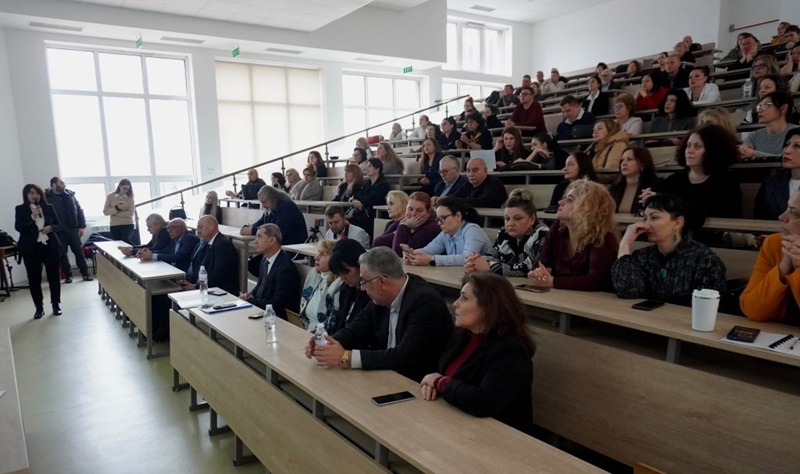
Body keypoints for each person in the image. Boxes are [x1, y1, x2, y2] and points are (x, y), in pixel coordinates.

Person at [308, 247, 454, 382]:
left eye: (364, 281)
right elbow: (357, 327)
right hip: (388, 374)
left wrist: (345, 357)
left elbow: (404, 355)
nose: (362, 288)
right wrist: (327, 342)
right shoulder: (382, 296)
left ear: (382, 281)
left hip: (416, 383)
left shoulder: (425, 302)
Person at [419, 273, 535, 434]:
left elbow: (482, 401)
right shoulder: (463, 335)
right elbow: (445, 374)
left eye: (464, 298)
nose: (455, 304)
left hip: (499, 435)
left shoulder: (510, 352)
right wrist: (433, 384)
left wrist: (440, 382)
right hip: (458, 422)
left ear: (487, 308)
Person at [612, 194, 726, 306]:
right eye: (645, 218)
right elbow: (627, 291)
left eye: (654, 217)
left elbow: (708, 306)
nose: (646, 225)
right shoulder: (643, 256)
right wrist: (625, 244)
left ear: (677, 223)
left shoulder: (704, 259)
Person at [529, 180, 618, 291]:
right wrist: (536, 273)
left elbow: (596, 281)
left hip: (594, 299)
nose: (560, 202)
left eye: (570, 200)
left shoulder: (603, 237)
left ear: (588, 208)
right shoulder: (558, 228)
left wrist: (552, 281)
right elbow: (540, 264)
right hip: (563, 295)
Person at [644, 124, 742, 221]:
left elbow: (718, 213)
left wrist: (667, 204)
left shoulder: (727, 182)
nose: (689, 151)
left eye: (697, 146)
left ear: (712, 150)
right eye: (688, 145)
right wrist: (653, 201)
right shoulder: (674, 181)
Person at [740, 189, 800, 325]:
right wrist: (784, 266)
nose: (782, 217)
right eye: (787, 208)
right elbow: (753, 310)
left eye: (794, 213)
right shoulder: (774, 244)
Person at [464, 188, 548, 277]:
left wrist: (490, 267)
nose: (510, 223)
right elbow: (489, 256)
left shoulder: (543, 234)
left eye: (518, 218)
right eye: (507, 218)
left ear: (532, 219)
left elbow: (530, 267)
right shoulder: (503, 232)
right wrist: (474, 264)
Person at [15, 183, 62, 319]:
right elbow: (19, 227)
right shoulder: (20, 209)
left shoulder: (48, 207)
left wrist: (51, 228)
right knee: (34, 279)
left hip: (49, 245)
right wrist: (32, 216)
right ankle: (39, 308)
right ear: (26, 195)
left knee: (54, 276)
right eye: (31, 193)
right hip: (31, 248)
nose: (34, 196)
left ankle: (56, 305)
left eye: (37, 193)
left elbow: (58, 225)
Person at [404, 197, 492, 267]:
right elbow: (427, 251)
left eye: (443, 218)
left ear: (458, 216)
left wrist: (432, 259)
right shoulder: (446, 233)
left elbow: (468, 258)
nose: (439, 223)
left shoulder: (472, 229)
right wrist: (412, 255)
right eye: (438, 219)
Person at [240, 223, 301, 319]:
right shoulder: (264, 259)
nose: (255, 241)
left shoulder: (285, 268)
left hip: (277, 318)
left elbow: (277, 303)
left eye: (259, 237)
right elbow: (260, 286)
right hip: (262, 310)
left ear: (272, 240)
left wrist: (252, 301)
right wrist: (249, 295)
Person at [46, 177, 92, 283]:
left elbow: (79, 210)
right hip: (58, 231)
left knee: (79, 252)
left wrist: (81, 226)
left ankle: (85, 273)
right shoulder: (47, 198)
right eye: (61, 183)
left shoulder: (70, 195)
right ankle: (68, 275)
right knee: (62, 254)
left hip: (73, 229)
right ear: (53, 185)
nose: (64, 185)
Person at [179, 215, 239, 295]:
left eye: (200, 227)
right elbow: (200, 268)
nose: (198, 231)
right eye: (197, 228)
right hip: (208, 287)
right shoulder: (207, 243)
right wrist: (187, 281)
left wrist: (195, 286)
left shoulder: (223, 245)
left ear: (211, 226)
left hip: (221, 291)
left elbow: (217, 274)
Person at [325, 239, 370, 334]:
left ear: (360, 266)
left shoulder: (372, 293)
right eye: (339, 274)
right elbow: (340, 322)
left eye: (346, 272)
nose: (342, 278)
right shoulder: (346, 288)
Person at [374, 191, 439, 256]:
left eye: (419, 210)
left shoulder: (431, 229)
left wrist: (404, 227)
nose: (413, 214)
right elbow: (377, 243)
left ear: (428, 212)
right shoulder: (405, 221)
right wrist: (397, 231)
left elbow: (399, 252)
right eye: (410, 209)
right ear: (406, 209)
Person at [754, 128, 800, 220]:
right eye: (787, 144)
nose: (787, 151)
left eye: (797, 146)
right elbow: (759, 219)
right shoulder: (770, 184)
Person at [740, 91, 799, 159]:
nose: (759, 110)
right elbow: (745, 156)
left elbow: (791, 159)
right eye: (759, 106)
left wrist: (754, 154)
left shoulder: (797, 133)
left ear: (783, 108)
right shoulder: (753, 137)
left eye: (765, 105)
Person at [241, 186, 308, 245]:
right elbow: (261, 222)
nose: (263, 205)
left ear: (272, 198)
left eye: (264, 202)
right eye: (261, 202)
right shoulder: (272, 206)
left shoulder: (287, 207)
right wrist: (249, 227)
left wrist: (253, 230)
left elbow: (277, 231)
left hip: (291, 247)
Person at [299, 240, 341, 330]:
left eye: (323, 254)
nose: (316, 257)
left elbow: (332, 322)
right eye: (318, 252)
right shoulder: (313, 273)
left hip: (324, 333)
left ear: (334, 259)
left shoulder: (339, 284)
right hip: (307, 329)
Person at [608, 147, 659, 215]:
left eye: (629, 159)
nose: (624, 163)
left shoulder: (655, 186)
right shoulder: (614, 188)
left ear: (642, 164)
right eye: (622, 160)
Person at [349, 158, 390, 239]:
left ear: (377, 169)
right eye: (367, 166)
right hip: (364, 213)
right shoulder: (367, 183)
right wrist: (354, 200)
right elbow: (358, 195)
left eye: (370, 166)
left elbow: (372, 199)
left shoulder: (383, 184)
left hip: (374, 214)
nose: (366, 168)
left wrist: (360, 202)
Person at [103, 178, 134, 243]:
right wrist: (116, 208)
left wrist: (115, 213)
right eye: (124, 188)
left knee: (125, 239)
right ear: (119, 186)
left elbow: (130, 213)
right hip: (115, 225)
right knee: (118, 243)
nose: (126, 190)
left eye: (128, 189)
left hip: (128, 223)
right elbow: (105, 212)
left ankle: (135, 249)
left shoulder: (130, 198)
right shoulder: (110, 196)